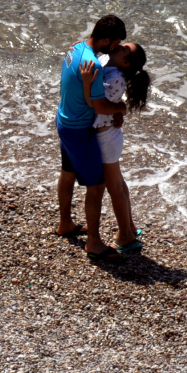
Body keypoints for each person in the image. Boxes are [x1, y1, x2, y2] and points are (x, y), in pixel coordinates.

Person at [54, 15, 127, 262]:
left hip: (64, 119)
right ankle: (94, 242)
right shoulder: (92, 66)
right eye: (114, 44)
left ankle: (65, 223)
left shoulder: (75, 48)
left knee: (68, 173)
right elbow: (98, 106)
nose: (114, 49)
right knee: (96, 186)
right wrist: (121, 109)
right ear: (105, 40)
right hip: (79, 129)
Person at [79, 42, 151, 254]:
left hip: (106, 138)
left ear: (125, 62)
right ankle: (129, 226)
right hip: (107, 133)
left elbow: (96, 104)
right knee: (118, 183)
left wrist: (86, 83)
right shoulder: (105, 62)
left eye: (124, 48)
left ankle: (126, 236)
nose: (119, 46)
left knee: (114, 188)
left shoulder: (116, 78)